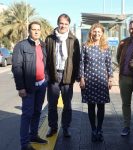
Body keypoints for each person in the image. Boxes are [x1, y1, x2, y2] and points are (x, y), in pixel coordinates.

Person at [12, 21, 48, 150]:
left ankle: (34, 135)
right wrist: (20, 87)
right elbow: (17, 68)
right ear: (29, 31)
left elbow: (46, 64)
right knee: (27, 114)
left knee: (37, 112)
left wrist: (47, 79)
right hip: (28, 87)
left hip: (42, 84)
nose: (37, 31)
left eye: (38, 29)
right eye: (34, 29)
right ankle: (24, 144)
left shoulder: (43, 45)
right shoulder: (21, 46)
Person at [45, 13, 80, 138]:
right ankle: (53, 127)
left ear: (68, 25)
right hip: (53, 76)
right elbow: (45, 58)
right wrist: (47, 75)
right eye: (61, 23)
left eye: (66, 24)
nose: (63, 25)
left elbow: (77, 59)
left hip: (67, 76)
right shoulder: (49, 39)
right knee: (52, 104)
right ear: (57, 23)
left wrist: (76, 76)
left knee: (67, 105)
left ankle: (65, 128)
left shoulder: (74, 39)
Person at [79, 23, 113, 142]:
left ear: (102, 33)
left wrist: (110, 78)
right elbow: (81, 63)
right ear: (91, 32)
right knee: (91, 106)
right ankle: (93, 129)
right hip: (89, 80)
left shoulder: (106, 47)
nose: (97, 33)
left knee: (101, 106)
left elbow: (109, 64)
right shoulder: (85, 46)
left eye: (99, 32)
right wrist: (81, 78)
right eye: (95, 31)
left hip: (102, 80)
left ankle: (99, 129)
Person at [116, 20, 133, 136]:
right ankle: (126, 126)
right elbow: (118, 57)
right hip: (124, 78)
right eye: (132, 28)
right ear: (128, 29)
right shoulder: (123, 43)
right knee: (125, 104)